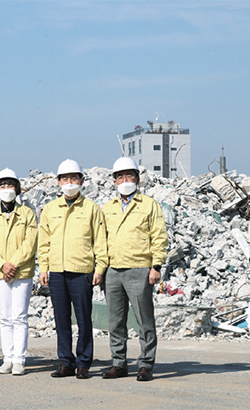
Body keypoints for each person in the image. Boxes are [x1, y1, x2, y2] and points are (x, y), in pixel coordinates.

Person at [38, 159, 108, 380]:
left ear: (81, 181)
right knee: (61, 318)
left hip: (82, 271)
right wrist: (43, 268)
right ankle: (66, 361)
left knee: (84, 318)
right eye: (65, 179)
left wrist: (100, 268)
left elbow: (100, 242)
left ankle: (84, 362)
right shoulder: (50, 209)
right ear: (58, 182)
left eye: (73, 179)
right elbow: (44, 242)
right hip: (57, 271)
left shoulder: (91, 209)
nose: (69, 183)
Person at [101, 157, 168, 382]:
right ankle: (118, 363)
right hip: (113, 270)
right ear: (114, 181)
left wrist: (156, 266)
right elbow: (102, 239)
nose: (125, 180)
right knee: (115, 321)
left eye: (129, 176)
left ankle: (146, 364)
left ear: (137, 179)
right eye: (120, 176)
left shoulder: (149, 205)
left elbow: (159, 237)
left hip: (140, 269)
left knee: (144, 319)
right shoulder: (108, 208)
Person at [0, 169, 37, 376]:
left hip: (21, 273)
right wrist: (3, 265)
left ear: (17, 189)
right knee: (5, 317)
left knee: (20, 316)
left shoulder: (28, 214)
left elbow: (29, 243)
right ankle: (7, 358)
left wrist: (12, 264)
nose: (7, 189)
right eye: (2, 186)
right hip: (0, 273)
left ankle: (19, 360)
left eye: (10, 185)